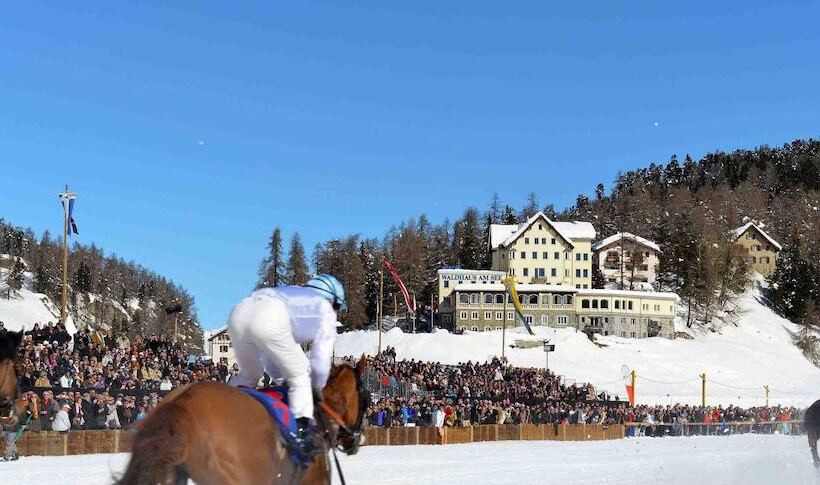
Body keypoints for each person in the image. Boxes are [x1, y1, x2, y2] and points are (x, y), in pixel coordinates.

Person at [227, 274, 346, 455]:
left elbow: (271, 355)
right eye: (337, 307)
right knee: (301, 377)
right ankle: (302, 436)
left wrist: (284, 381)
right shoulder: (324, 308)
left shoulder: (292, 296)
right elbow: (320, 360)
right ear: (331, 300)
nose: (336, 312)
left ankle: (224, 407)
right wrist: (316, 387)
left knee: (249, 375)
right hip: (267, 318)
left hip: (238, 313)